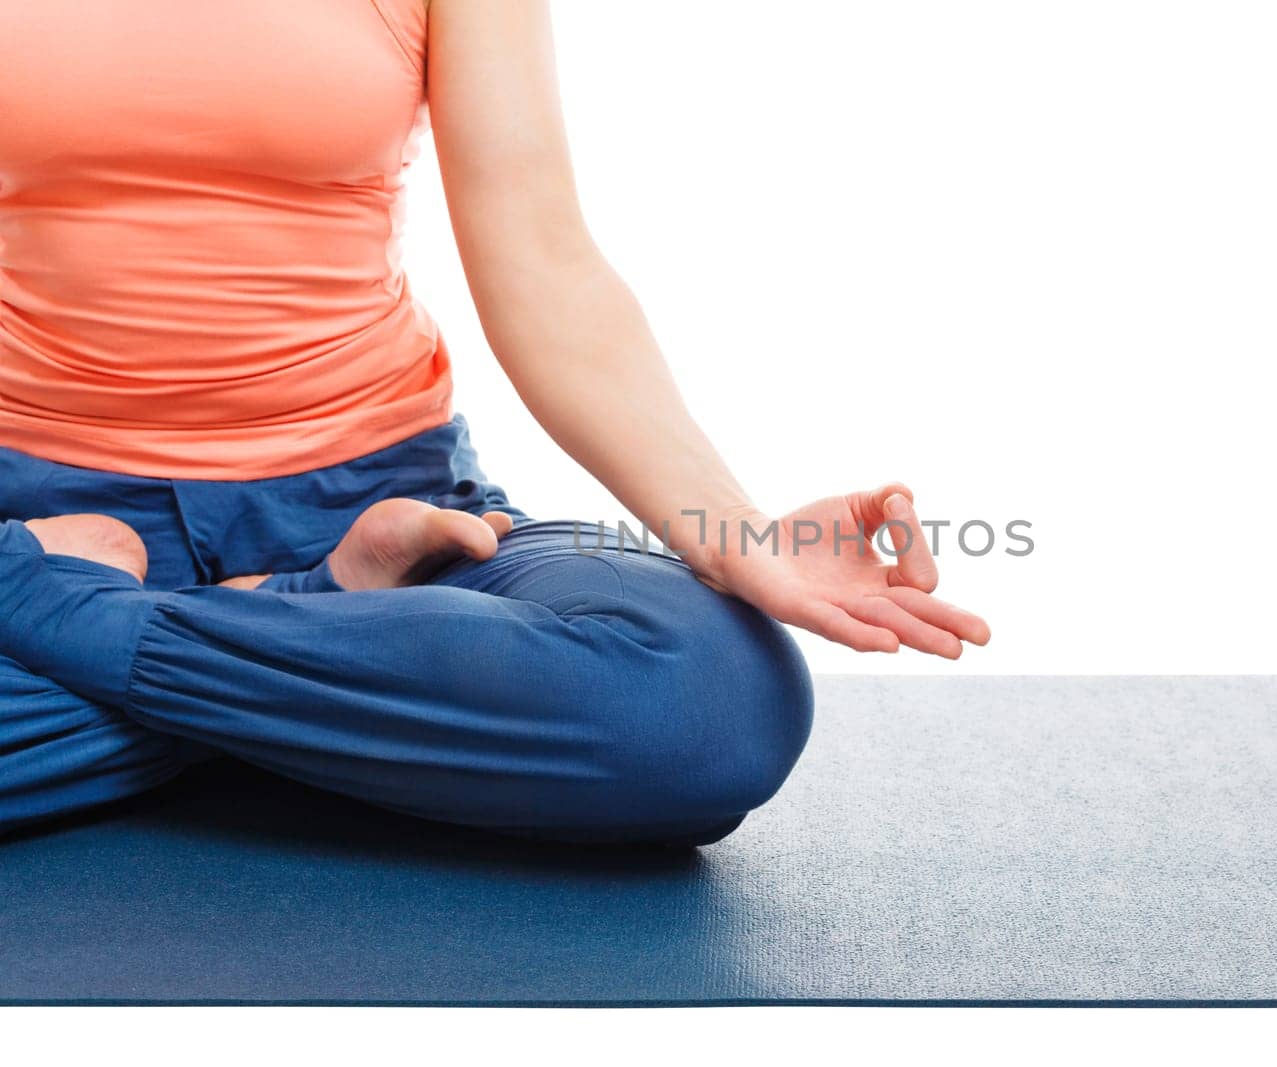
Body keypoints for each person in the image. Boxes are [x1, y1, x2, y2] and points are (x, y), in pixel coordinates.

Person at [0, 0, 989, 846]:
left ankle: (71, 617)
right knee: (468, 705)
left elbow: (544, 258)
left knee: (710, 707)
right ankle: (313, 639)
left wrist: (738, 535)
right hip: (34, 516)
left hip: (390, 514)